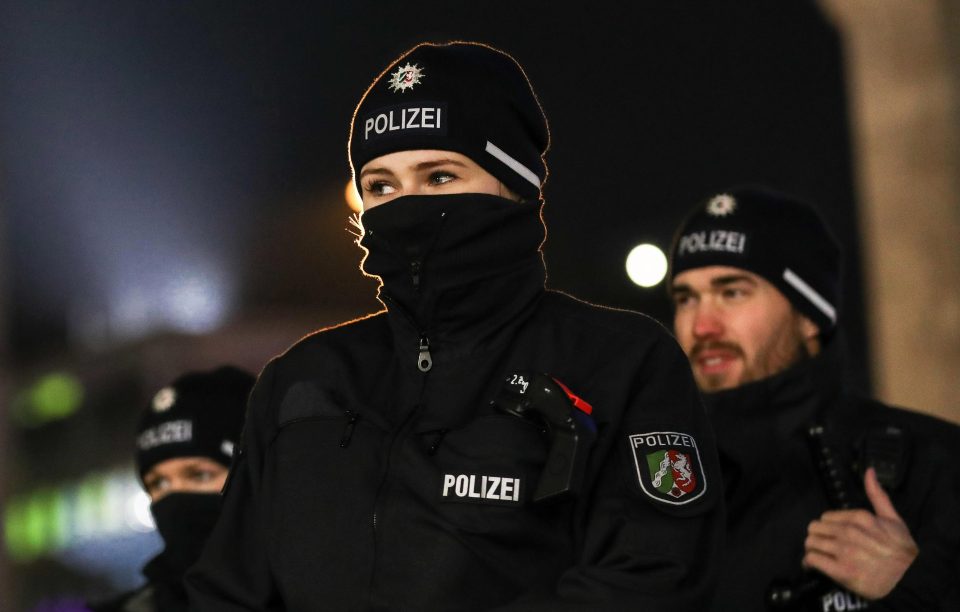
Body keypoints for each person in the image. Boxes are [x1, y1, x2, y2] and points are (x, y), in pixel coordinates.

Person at [186, 40, 723, 610]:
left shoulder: (621, 362)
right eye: (381, 186)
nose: (406, 207)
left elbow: (652, 580)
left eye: (439, 176)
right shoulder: (299, 382)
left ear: (516, 187)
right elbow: (227, 591)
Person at [667, 186, 960, 611]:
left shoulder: (934, 464)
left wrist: (918, 585)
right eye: (686, 298)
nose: (702, 326)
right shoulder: (651, 485)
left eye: (733, 292)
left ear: (809, 315)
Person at [87, 365, 255, 612]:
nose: (175, 496)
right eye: (159, 483)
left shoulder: (318, 590)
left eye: (199, 474)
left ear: (255, 476)